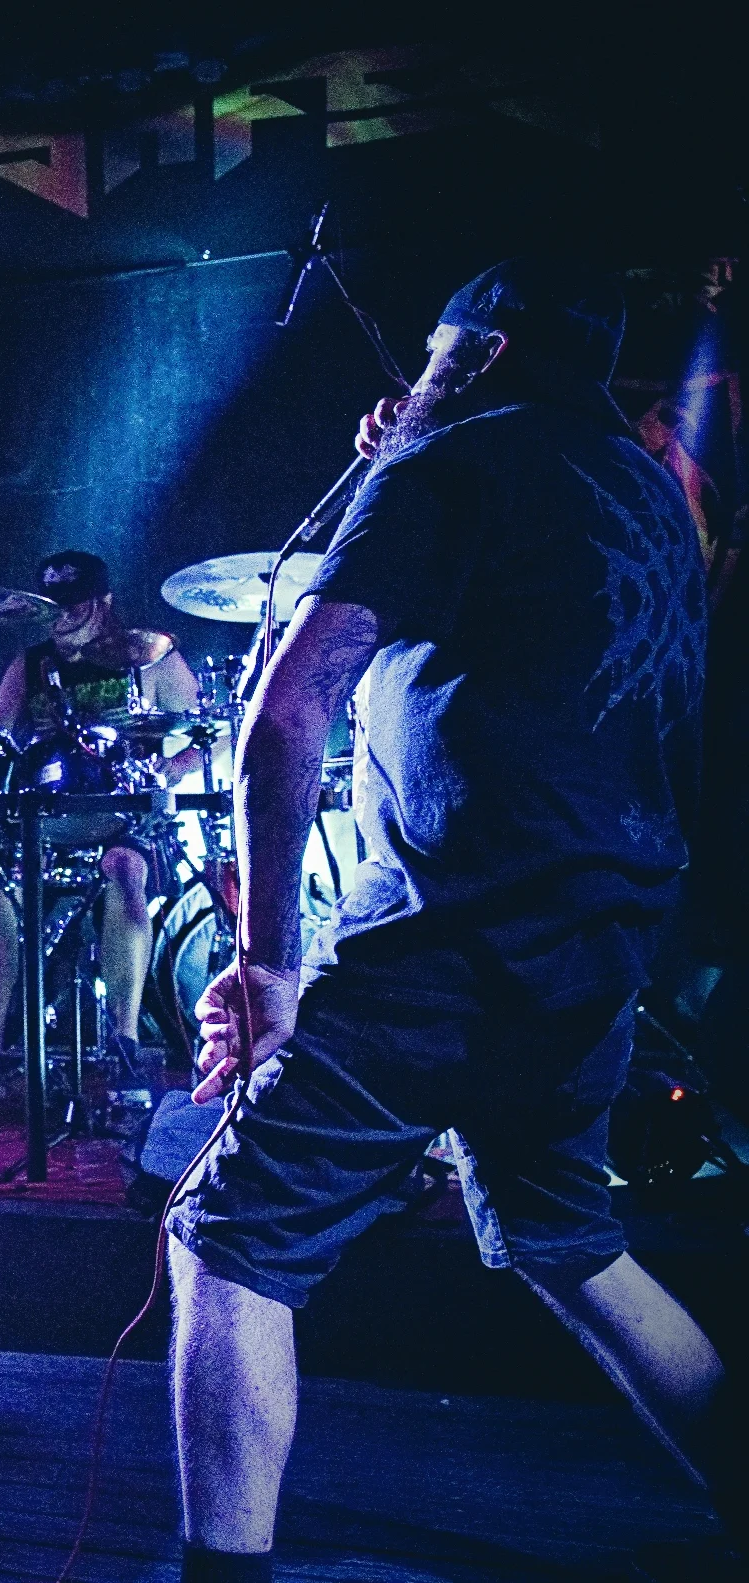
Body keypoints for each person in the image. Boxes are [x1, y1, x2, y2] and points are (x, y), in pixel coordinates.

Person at [165, 260, 737, 1580]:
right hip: (596, 951)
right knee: (571, 1242)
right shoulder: (646, 495)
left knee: (227, 1240)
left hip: (447, 949)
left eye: (430, 354)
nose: (405, 382)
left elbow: (286, 715)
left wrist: (266, 966)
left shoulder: (450, 466)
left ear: (481, 354)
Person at [0, 550, 198, 1063]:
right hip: (47, 813)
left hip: (125, 812)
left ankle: (124, 1041)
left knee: (124, 867)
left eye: (74, 603)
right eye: (52, 603)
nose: (62, 614)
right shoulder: (29, 665)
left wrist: (170, 769)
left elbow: (211, 731)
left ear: (104, 602)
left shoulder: (148, 654)